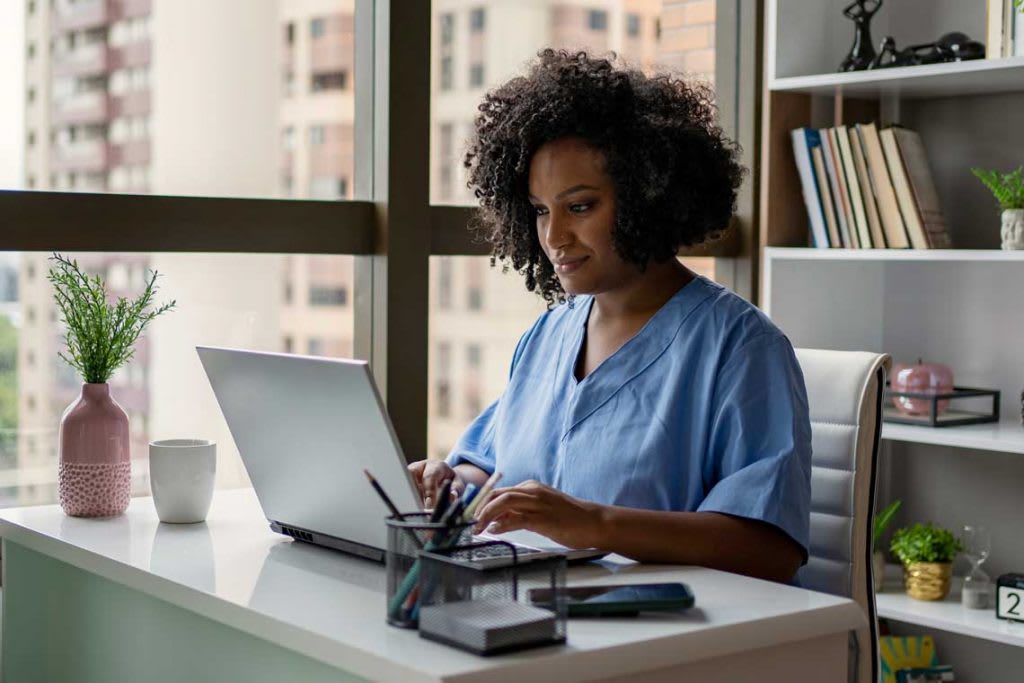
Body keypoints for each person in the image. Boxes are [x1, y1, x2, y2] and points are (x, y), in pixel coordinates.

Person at [409, 50, 811, 583]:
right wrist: (451, 483)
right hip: (532, 612)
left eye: (579, 207)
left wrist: (597, 523)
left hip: (661, 639)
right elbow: (488, 462)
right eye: (539, 211)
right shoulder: (548, 334)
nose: (553, 237)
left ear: (650, 197)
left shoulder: (740, 347)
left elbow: (771, 547)